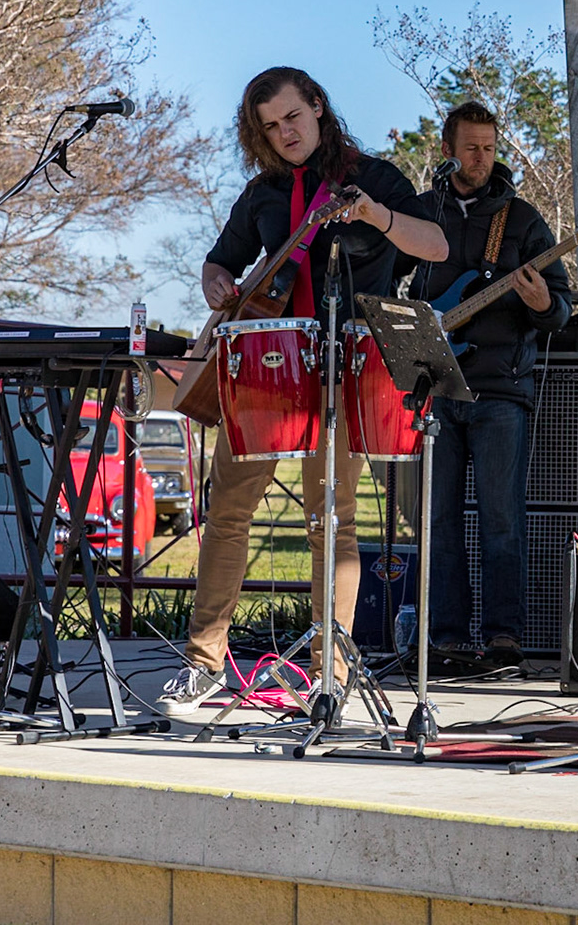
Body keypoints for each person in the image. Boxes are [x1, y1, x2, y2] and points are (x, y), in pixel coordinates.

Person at [159, 67, 447, 715]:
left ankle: (330, 676)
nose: (284, 133)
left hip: (343, 365)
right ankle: (203, 664)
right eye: (269, 126)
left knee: (331, 521)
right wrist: (213, 283)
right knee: (229, 510)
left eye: (292, 116)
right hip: (268, 368)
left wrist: (375, 214)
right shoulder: (262, 193)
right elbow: (219, 260)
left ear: (317, 105)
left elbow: (435, 243)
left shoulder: (372, 177)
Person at [410, 101, 572, 671]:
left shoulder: (523, 220)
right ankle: (446, 640)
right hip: (435, 387)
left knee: (503, 519)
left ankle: (505, 640)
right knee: (439, 522)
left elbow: (561, 311)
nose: (482, 158)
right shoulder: (422, 212)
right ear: (450, 148)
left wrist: (542, 301)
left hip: (501, 391)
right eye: (471, 147)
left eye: (489, 147)